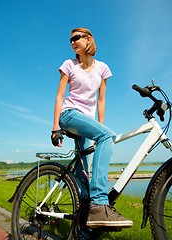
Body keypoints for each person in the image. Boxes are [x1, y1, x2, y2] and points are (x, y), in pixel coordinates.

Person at [51, 27, 133, 229]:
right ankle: (100, 204)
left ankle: (83, 222)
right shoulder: (69, 65)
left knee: (83, 172)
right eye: (70, 39)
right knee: (109, 136)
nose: (72, 42)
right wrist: (55, 127)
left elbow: (101, 100)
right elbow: (60, 96)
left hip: (87, 122)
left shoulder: (102, 68)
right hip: (69, 115)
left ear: (88, 40)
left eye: (76, 38)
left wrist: (99, 129)